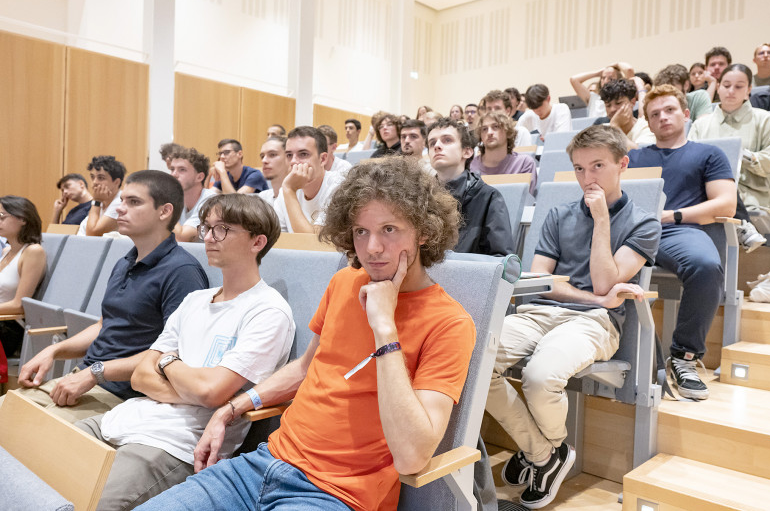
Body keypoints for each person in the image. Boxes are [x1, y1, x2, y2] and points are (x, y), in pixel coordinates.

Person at [137, 156, 475, 511]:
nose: (372, 247)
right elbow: (305, 368)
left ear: (424, 231)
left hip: (334, 494)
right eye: (361, 231)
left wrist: (385, 327)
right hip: (260, 465)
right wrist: (230, 409)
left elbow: (411, 457)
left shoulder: (449, 323)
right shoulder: (344, 282)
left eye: (389, 229)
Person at [74, 194, 295, 509]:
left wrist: (166, 362)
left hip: (174, 445)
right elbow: (139, 377)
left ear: (257, 242)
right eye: (207, 228)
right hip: (122, 419)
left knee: (84, 501)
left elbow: (211, 392)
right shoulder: (195, 300)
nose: (209, 238)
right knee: (30, 462)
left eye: (222, 229)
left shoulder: (269, 310)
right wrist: (183, 375)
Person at [488, 125, 660, 509]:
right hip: (541, 312)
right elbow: (542, 283)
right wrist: (597, 298)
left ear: (622, 165)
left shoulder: (645, 222)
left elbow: (605, 280)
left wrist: (602, 220)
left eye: (597, 166)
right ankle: (545, 453)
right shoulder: (558, 215)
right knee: (473, 361)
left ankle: (537, 453)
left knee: (539, 376)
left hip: (595, 325)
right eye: (579, 169)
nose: (587, 178)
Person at [14, 170, 209, 423]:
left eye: (134, 202)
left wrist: (96, 373)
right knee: (7, 411)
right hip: (86, 377)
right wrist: (53, 350)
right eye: (122, 201)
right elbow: (104, 325)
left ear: (164, 212)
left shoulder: (182, 271)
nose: (120, 209)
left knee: (26, 429)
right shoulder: (124, 262)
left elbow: (174, 352)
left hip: (123, 394)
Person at [628, 85, 737, 400]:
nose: (663, 117)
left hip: (679, 229)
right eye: (655, 114)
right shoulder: (633, 158)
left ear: (686, 113)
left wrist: (671, 215)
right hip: (633, 230)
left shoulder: (708, 154)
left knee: (705, 265)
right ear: (647, 123)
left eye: (670, 110)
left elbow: (725, 204)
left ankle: (683, 357)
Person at [689, 64, 770, 248]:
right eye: (726, 85)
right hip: (707, 193)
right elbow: (688, 161)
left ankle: (741, 222)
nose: (731, 91)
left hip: (751, 194)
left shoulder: (764, 120)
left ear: (749, 90)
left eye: (739, 86)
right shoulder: (701, 124)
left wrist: (743, 156)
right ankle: (742, 225)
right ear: (718, 86)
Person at [428, 118, 513, 256]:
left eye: (447, 140)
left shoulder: (488, 197)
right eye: (432, 143)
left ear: (467, 152)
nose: (437, 146)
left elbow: (500, 259)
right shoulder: (420, 197)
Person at [0, 197, 46, 367]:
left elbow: (20, 305)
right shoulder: (6, 251)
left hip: (9, 326)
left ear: (23, 219)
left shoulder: (33, 251)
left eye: (2, 216)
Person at [274, 126, 344, 233]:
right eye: (289, 155)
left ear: (323, 159)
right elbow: (277, 241)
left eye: (303, 154)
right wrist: (288, 190)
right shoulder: (285, 191)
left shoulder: (339, 186)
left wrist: (289, 190)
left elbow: (312, 245)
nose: (293, 161)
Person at [472, 111, 537, 193]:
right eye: (484, 129)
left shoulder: (524, 163)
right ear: (481, 137)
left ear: (508, 132)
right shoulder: (471, 166)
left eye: (495, 127)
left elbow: (525, 200)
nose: (489, 133)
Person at [169, 147, 216, 243]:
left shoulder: (211, 200)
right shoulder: (177, 199)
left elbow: (183, 238)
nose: (174, 174)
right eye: (172, 169)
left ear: (199, 177)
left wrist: (162, 203)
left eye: (182, 170)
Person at [78, 155, 127, 237]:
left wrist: (96, 201)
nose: (94, 182)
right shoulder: (101, 201)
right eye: (92, 177)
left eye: (101, 178)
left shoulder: (121, 202)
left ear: (116, 182)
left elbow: (92, 234)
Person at [599, 79, 656, 148]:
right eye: (608, 105)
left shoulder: (647, 127)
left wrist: (615, 127)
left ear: (632, 102)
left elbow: (640, 155)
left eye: (618, 103)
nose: (612, 109)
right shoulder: (602, 130)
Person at [256, 136, 289, 205]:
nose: (264, 160)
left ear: (289, 157)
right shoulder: (263, 197)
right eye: (262, 156)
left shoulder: (303, 197)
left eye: (272, 155)